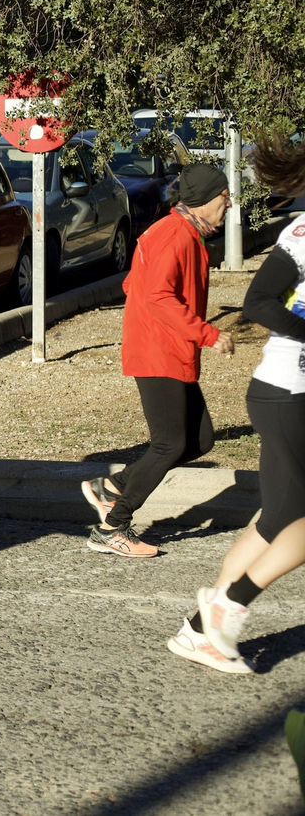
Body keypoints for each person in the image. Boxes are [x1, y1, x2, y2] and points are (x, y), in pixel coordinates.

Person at [164, 139, 305, 672]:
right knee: (298, 519)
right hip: (288, 392)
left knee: (277, 519)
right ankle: (229, 608)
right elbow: (258, 302)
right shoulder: (303, 234)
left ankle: (202, 630)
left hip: (284, 391)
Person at [81, 163, 234, 558]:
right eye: (224, 196)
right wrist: (208, 333)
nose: (229, 203)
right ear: (204, 200)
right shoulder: (174, 235)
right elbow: (157, 296)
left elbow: (133, 282)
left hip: (170, 350)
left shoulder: (181, 231)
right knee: (169, 445)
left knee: (199, 440)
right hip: (158, 352)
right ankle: (112, 527)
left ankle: (112, 488)